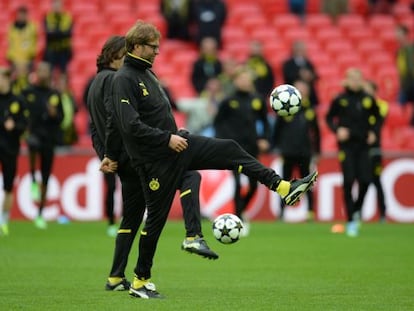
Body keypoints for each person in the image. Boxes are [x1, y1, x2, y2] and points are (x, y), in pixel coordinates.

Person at [105, 20, 317, 299]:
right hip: (155, 158)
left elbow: (150, 117)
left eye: (158, 46)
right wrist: (164, 138)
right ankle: (140, 281)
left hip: (174, 147)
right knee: (155, 221)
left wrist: (172, 135)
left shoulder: (146, 74)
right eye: (152, 47)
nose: (157, 52)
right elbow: (128, 125)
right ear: (136, 46)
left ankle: (283, 188)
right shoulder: (125, 79)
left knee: (229, 148)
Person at [86, 36, 219, 291]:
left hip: (121, 162)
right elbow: (119, 119)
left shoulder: (94, 85)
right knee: (189, 177)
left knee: (131, 218)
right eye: (124, 53)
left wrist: (105, 155)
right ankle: (192, 234)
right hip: (138, 158)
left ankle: (115, 277)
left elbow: (95, 127)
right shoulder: (118, 80)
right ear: (114, 55)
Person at [214, 67, 271, 235]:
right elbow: (218, 123)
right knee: (238, 183)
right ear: (236, 81)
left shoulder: (257, 100)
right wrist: (222, 143)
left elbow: (266, 122)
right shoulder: (228, 101)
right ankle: (238, 218)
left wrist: (264, 138)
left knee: (254, 184)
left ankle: (241, 211)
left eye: (247, 79)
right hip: (234, 149)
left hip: (252, 148)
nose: (245, 82)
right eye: (242, 79)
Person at [325, 68, 380, 237]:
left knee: (365, 180)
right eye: (352, 79)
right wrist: (337, 129)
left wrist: (373, 132)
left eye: (358, 79)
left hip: (363, 146)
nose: (355, 82)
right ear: (346, 81)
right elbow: (328, 118)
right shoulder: (340, 99)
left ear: (362, 81)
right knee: (348, 181)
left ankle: (356, 209)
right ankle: (351, 221)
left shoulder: (368, 100)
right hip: (346, 146)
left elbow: (377, 118)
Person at [22, 61, 64, 229]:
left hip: (49, 139)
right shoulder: (28, 92)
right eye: (40, 70)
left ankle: (40, 213)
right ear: (36, 73)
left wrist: (55, 115)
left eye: (45, 70)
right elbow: (21, 113)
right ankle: (32, 178)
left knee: (46, 175)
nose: (43, 73)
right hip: (34, 136)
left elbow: (62, 118)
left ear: (50, 73)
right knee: (32, 146)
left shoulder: (54, 94)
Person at [271, 80, 321, 221]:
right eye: (300, 88)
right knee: (284, 183)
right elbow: (277, 130)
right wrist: (276, 147)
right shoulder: (285, 107)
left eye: (304, 88)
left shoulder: (309, 109)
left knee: (307, 182)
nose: (303, 91)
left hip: (304, 152)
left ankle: (310, 211)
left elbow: (316, 132)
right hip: (287, 152)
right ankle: (281, 211)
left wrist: (317, 151)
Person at [353, 80, 388, 222]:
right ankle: (358, 210)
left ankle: (383, 213)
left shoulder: (381, 105)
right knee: (364, 180)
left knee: (377, 181)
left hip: (375, 149)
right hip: (363, 149)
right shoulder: (359, 104)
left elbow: (377, 120)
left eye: (368, 89)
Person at [0, 67, 29, 236]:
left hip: (10, 148)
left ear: (8, 80)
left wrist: (15, 127)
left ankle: (4, 219)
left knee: (9, 185)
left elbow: (25, 124)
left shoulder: (18, 100)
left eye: (3, 79)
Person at [282, 40, 319, 107]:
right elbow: (287, 76)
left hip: (309, 97)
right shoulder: (288, 63)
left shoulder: (308, 63)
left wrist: (310, 76)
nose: (300, 51)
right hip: (292, 95)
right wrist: (299, 74)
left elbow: (316, 76)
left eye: (302, 49)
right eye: (298, 49)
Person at [43, 0, 73, 82]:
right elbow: (47, 34)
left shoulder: (67, 17)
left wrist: (54, 32)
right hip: (51, 50)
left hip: (64, 51)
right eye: (55, 5)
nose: (57, 7)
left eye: (58, 5)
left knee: (63, 72)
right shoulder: (47, 17)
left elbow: (68, 33)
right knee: (50, 72)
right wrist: (61, 33)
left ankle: (63, 88)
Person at [6, 6, 38, 72]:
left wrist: (31, 56)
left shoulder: (32, 27)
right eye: (20, 14)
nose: (21, 16)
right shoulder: (11, 27)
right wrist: (11, 58)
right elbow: (9, 44)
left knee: (27, 79)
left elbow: (34, 43)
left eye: (23, 14)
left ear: (26, 15)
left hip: (28, 59)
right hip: (14, 59)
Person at [395, 24, 414, 125]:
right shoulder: (399, 50)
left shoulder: (410, 49)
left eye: (399, 33)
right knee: (399, 108)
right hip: (405, 84)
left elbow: (411, 67)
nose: (396, 35)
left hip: (410, 83)